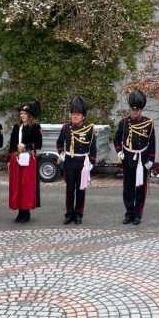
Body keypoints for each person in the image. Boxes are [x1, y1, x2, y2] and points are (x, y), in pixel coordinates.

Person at [114, 90, 155, 226]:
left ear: (141, 109)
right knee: (128, 189)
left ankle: (138, 215)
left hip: (142, 161)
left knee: (140, 189)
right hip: (128, 160)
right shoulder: (124, 123)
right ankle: (129, 213)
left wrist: (151, 160)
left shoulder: (148, 123)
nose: (134, 112)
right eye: (133, 109)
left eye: (137, 110)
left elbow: (152, 143)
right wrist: (119, 151)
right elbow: (117, 139)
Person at [57, 96, 96, 225]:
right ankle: (69, 214)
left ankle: (78, 214)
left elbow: (92, 146)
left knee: (81, 190)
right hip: (69, 162)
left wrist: (92, 162)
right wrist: (61, 153)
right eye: (73, 114)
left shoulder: (89, 128)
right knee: (69, 190)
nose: (74, 116)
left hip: (82, 163)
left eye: (77, 114)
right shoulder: (66, 128)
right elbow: (59, 142)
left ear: (83, 116)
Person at [8, 101, 42, 223]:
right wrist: (9, 159)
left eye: (25, 114)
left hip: (29, 158)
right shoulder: (17, 127)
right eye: (21, 113)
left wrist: (26, 146)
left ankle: (26, 211)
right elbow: (12, 144)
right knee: (17, 185)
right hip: (17, 158)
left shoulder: (35, 127)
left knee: (26, 185)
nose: (22, 116)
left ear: (30, 115)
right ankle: (20, 211)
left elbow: (39, 144)